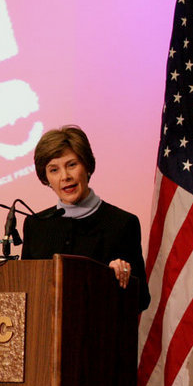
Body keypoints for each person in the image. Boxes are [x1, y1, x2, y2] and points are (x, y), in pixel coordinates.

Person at [21, 125, 150, 311]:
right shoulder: (36, 225)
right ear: (46, 178)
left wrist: (121, 277)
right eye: (54, 170)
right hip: (45, 337)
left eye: (72, 165)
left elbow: (142, 300)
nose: (65, 176)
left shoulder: (122, 223)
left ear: (87, 166)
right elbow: (26, 293)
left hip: (99, 336)